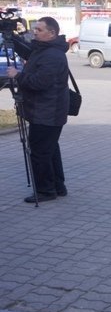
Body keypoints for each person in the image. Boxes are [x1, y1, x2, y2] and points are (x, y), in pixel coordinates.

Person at [6, 16, 70, 203]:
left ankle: (45, 191)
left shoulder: (52, 56)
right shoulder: (46, 49)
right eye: (35, 29)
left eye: (39, 30)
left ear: (52, 33)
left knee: (40, 153)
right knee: (49, 150)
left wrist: (17, 75)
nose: (35, 32)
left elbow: (39, 83)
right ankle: (58, 186)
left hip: (47, 113)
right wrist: (11, 37)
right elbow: (30, 52)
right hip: (47, 111)